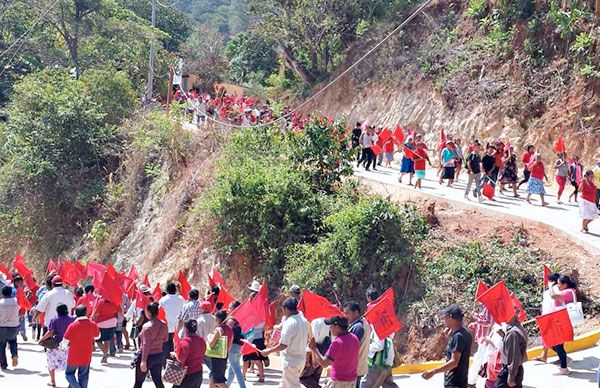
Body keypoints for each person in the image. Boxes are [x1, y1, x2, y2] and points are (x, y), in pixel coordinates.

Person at [262, 298, 309, 388]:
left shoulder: (290, 323)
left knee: (293, 385)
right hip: (300, 360)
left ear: (286, 309)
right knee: (284, 384)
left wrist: (268, 351)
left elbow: (283, 344)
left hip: (290, 361)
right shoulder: (303, 320)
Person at [421, 305, 472, 388]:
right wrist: (450, 338)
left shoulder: (458, 336)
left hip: (454, 382)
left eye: (444, 317)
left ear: (451, 318)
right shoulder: (465, 332)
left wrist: (433, 371)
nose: (443, 320)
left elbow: (454, 362)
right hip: (461, 381)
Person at [309, 316, 360, 388]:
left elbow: (324, 363)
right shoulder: (354, 338)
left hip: (339, 381)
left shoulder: (337, 343)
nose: (330, 329)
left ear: (337, 327)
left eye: (331, 326)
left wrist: (314, 349)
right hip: (352, 379)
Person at [63, 305, 100, 388]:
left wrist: (64, 348)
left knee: (69, 374)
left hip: (74, 355)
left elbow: (65, 341)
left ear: (76, 313)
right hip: (86, 355)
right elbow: (98, 336)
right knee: (83, 376)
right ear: (85, 313)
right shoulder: (92, 324)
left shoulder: (72, 325)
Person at [548, 275, 578, 375]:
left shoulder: (567, 292)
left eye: (559, 284)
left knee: (558, 344)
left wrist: (550, 286)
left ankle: (564, 368)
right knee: (555, 344)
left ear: (565, 285)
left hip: (561, 321)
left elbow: (553, 296)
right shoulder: (569, 291)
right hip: (559, 320)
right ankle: (564, 361)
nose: (558, 286)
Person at [134, 302, 169, 388]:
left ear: (149, 312)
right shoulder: (164, 325)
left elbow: (146, 345)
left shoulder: (147, 327)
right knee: (158, 381)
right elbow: (166, 339)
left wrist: (143, 361)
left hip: (147, 356)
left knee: (138, 382)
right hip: (158, 355)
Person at [39, 303, 74, 387]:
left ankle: (53, 381)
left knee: (51, 363)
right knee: (69, 364)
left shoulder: (55, 319)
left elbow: (50, 333)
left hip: (56, 344)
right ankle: (71, 382)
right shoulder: (72, 319)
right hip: (69, 345)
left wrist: (41, 339)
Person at [495, 307, 527, 388]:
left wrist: (511, 377)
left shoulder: (513, 333)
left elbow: (514, 356)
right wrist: (504, 336)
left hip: (511, 371)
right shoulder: (517, 328)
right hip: (516, 370)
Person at [343, 301, 371, 388]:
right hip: (357, 366)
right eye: (345, 313)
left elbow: (351, 348)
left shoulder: (357, 327)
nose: (346, 316)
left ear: (356, 313)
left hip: (353, 367)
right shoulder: (363, 323)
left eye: (348, 313)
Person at [172, 319, 206, 388]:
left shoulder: (185, 342)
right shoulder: (201, 340)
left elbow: (181, 359)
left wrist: (174, 354)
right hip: (198, 373)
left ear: (185, 328)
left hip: (187, 374)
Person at [535, 272, 560, 363]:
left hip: (552, 316)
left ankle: (563, 356)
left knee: (553, 338)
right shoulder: (548, 292)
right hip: (547, 316)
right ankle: (544, 355)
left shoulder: (555, 290)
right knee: (546, 337)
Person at [467, 306, 494, 387]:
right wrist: (475, 324)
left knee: (479, 361)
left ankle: (471, 382)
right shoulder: (485, 307)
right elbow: (484, 321)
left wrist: (476, 317)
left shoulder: (489, 308)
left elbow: (488, 322)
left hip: (485, 339)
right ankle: (472, 381)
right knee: (480, 360)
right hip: (483, 339)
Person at [159, 282, 185, 365]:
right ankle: (175, 364)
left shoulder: (163, 300)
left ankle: (165, 364)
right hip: (178, 327)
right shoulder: (181, 299)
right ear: (175, 289)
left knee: (165, 346)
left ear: (166, 290)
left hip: (166, 327)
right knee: (176, 346)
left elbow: (159, 312)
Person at [300, 318, 330, 388]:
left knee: (303, 377)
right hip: (323, 352)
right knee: (315, 376)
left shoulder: (316, 322)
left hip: (314, 353)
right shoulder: (329, 321)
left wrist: (308, 358)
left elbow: (312, 340)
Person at [207, 310, 234, 388]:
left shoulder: (219, 329)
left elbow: (212, 343)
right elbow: (230, 344)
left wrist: (209, 337)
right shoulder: (229, 329)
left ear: (218, 319)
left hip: (217, 357)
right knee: (214, 378)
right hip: (224, 356)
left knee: (219, 381)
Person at [92, 296, 120, 364]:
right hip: (112, 323)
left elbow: (97, 314)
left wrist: (93, 314)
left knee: (98, 340)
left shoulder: (101, 302)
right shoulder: (115, 302)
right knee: (107, 340)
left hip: (102, 323)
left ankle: (105, 352)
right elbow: (118, 311)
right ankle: (105, 358)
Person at [226, 304, 246, 388]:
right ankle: (227, 386)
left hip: (232, 346)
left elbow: (227, 333)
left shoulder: (231, 321)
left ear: (234, 308)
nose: (228, 309)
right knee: (232, 370)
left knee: (236, 369)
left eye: (230, 307)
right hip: (240, 346)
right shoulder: (243, 319)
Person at [0, 285, 19, 369]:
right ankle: (14, 355)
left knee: (1, 346)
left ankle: (3, 364)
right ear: (11, 293)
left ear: (2, 293)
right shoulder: (16, 301)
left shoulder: (0, 303)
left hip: (2, 326)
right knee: (13, 342)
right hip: (14, 325)